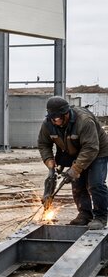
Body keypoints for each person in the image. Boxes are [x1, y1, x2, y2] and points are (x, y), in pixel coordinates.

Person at [38, 96, 108, 229]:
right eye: (53, 118)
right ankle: (85, 214)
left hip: (98, 151)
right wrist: (50, 164)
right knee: (77, 185)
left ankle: (101, 217)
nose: (55, 121)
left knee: (95, 184)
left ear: (66, 114)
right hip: (76, 152)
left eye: (58, 118)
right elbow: (43, 144)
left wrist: (75, 169)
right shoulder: (48, 123)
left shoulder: (84, 121)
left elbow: (91, 148)